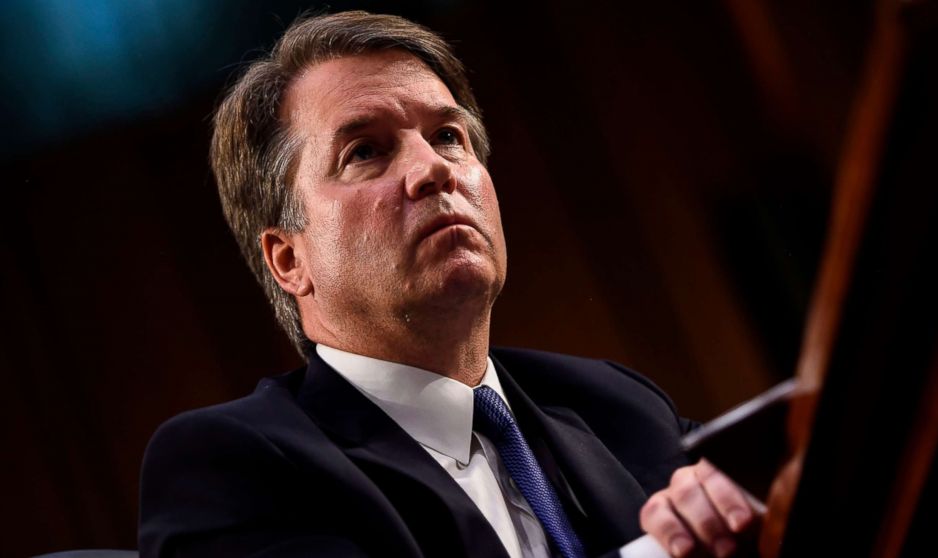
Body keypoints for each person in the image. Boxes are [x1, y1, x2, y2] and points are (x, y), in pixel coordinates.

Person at [139, 11, 761, 558]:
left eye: (448, 137)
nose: (433, 169)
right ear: (288, 258)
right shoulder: (233, 467)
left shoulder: (616, 407)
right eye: (365, 151)